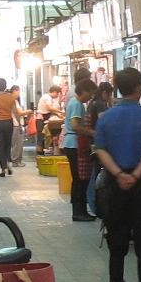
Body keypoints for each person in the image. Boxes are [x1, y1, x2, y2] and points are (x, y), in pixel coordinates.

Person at [93, 69, 141, 282]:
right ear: (139, 88)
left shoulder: (107, 117)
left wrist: (119, 174)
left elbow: (100, 149)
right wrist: (135, 176)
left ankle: (115, 281)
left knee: (117, 228)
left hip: (114, 184)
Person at [62, 78, 97, 221]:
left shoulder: (74, 102)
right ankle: (78, 212)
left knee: (78, 179)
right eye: (90, 93)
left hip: (72, 144)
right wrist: (92, 133)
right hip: (75, 144)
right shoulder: (76, 104)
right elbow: (75, 125)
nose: (91, 96)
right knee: (80, 179)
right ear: (83, 91)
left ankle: (79, 210)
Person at [84, 81, 113, 218]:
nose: (110, 97)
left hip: (92, 141)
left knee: (94, 173)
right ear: (105, 93)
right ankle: (95, 205)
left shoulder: (92, 103)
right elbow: (104, 121)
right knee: (96, 173)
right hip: (98, 141)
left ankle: (92, 203)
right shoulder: (100, 104)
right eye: (110, 94)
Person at [36, 85, 63, 154]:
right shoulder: (47, 97)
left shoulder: (47, 97)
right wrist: (60, 112)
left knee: (42, 137)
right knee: (41, 137)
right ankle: (39, 154)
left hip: (43, 118)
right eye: (57, 93)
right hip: (41, 118)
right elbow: (50, 108)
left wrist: (57, 114)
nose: (57, 96)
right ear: (54, 92)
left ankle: (41, 153)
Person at [7, 85, 27, 168]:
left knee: (18, 144)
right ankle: (16, 161)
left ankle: (17, 160)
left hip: (16, 125)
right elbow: (19, 113)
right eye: (18, 91)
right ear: (14, 91)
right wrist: (28, 112)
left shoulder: (13, 101)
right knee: (17, 144)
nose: (19, 93)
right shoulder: (13, 101)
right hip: (16, 125)